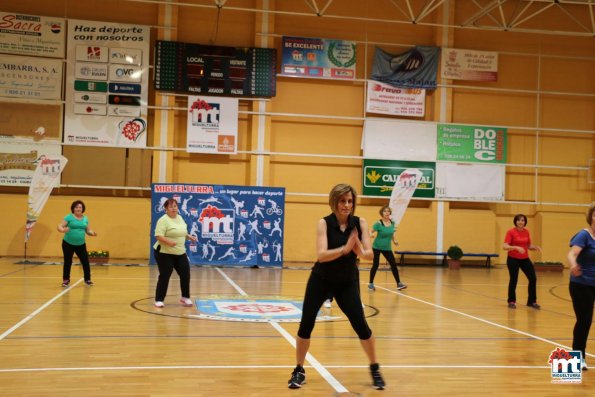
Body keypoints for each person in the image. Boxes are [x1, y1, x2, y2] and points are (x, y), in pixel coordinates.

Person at [288, 184, 385, 390]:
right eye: (342, 201)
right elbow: (321, 255)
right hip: (321, 279)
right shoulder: (324, 223)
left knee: (361, 325)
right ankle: (298, 370)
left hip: (347, 281)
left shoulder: (361, 223)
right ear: (334, 202)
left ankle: (375, 367)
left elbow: (369, 255)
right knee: (306, 325)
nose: (347, 205)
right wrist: (344, 249)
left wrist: (357, 248)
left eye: (350, 201)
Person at [153, 198, 198, 308]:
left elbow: (182, 232)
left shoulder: (180, 218)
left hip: (180, 253)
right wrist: (169, 242)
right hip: (164, 253)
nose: (174, 208)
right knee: (165, 275)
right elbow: (158, 236)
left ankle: (185, 297)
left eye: (175, 206)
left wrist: (189, 237)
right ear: (166, 209)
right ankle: (159, 300)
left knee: (185, 274)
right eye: (171, 207)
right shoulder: (163, 220)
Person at [567, 202, 595, 371]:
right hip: (581, 284)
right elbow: (572, 253)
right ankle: (578, 357)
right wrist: (572, 264)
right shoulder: (583, 235)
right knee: (584, 320)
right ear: (591, 216)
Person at [503, 214, 541, 309]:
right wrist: (515, 247)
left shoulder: (526, 232)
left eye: (523, 220)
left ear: (525, 222)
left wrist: (535, 247)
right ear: (515, 221)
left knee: (533, 278)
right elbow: (504, 246)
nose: (521, 222)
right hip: (513, 259)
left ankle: (532, 301)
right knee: (514, 279)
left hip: (524, 259)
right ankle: (511, 301)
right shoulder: (510, 232)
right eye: (519, 220)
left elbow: (528, 245)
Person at [57, 200, 97, 287]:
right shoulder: (69, 217)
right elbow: (59, 226)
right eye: (76, 207)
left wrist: (92, 233)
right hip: (68, 243)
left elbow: (88, 230)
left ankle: (87, 279)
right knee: (68, 261)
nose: (78, 209)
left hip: (81, 244)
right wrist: (63, 230)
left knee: (85, 261)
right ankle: (66, 280)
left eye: (80, 207)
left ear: (82, 209)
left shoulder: (85, 218)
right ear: (73, 209)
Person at [369, 204, 406, 291]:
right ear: (382, 213)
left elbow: (392, 233)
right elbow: (370, 231)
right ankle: (371, 283)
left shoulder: (392, 223)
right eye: (385, 211)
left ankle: (399, 283)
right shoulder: (378, 223)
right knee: (375, 265)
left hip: (387, 248)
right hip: (377, 247)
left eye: (388, 211)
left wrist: (394, 240)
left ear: (390, 213)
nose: (387, 213)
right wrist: (371, 234)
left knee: (393, 264)